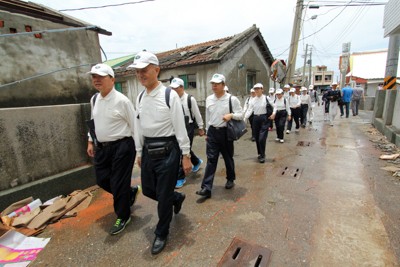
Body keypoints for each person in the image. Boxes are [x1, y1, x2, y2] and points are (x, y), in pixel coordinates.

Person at [130, 51, 191, 255]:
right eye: (138, 72)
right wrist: (139, 151)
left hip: (168, 150)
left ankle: (162, 232)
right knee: (148, 190)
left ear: (157, 70)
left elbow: (180, 126)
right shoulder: (139, 96)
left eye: (144, 70)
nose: (141, 75)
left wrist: (186, 154)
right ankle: (175, 198)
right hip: (148, 150)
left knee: (162, 196)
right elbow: (138, 125)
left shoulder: (169, 95)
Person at [86, 63, 139, 235]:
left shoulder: (122, 101)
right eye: (94, 77)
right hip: (102, 148)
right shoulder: (94, 99)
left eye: (101, 76)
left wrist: (140, 151)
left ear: (112, 79)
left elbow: (135, 126)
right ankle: (128, 193)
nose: (96, 80)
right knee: (102, 180)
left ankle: (123, 216)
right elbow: (93, 122)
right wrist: (90, 141)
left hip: (122, 146)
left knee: (118, 182)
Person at [196, 73, 243, 199]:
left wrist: (231, 115)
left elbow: (241, 114)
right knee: (211, 160)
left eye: (217, 84)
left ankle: (230, 179)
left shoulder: (231, 99)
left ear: (223, 85)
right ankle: (206, 188)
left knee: (228, 157)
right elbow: (208, 116)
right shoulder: (209, 99)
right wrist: (206, 131)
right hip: (212, 132)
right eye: (212, 84)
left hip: (225, 133)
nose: (214, 86)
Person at [170, 77, 205, 188]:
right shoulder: (170, 99)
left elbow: (197, 114)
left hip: (188, 127)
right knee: (185, 149)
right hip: (176, 127)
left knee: (182, 151)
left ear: (182, 87)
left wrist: (200, 127)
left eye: (176, 88)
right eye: (172, 88)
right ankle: (196, 161)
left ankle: (180, 177)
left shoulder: (190, 99)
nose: (174, 90)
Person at [244, 83, 271, 163]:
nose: (257, 90)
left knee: (262, 138)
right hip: (256, 119)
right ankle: (260, 153)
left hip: (264, 119)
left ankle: (262, 155)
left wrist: (273, 114)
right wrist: (245, 118)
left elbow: (275, 105)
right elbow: (249, 110)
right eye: (255, 89)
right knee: (257, 138)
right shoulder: (253, 100)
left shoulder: (266, 98)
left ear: (262, 89)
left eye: (258, 89)